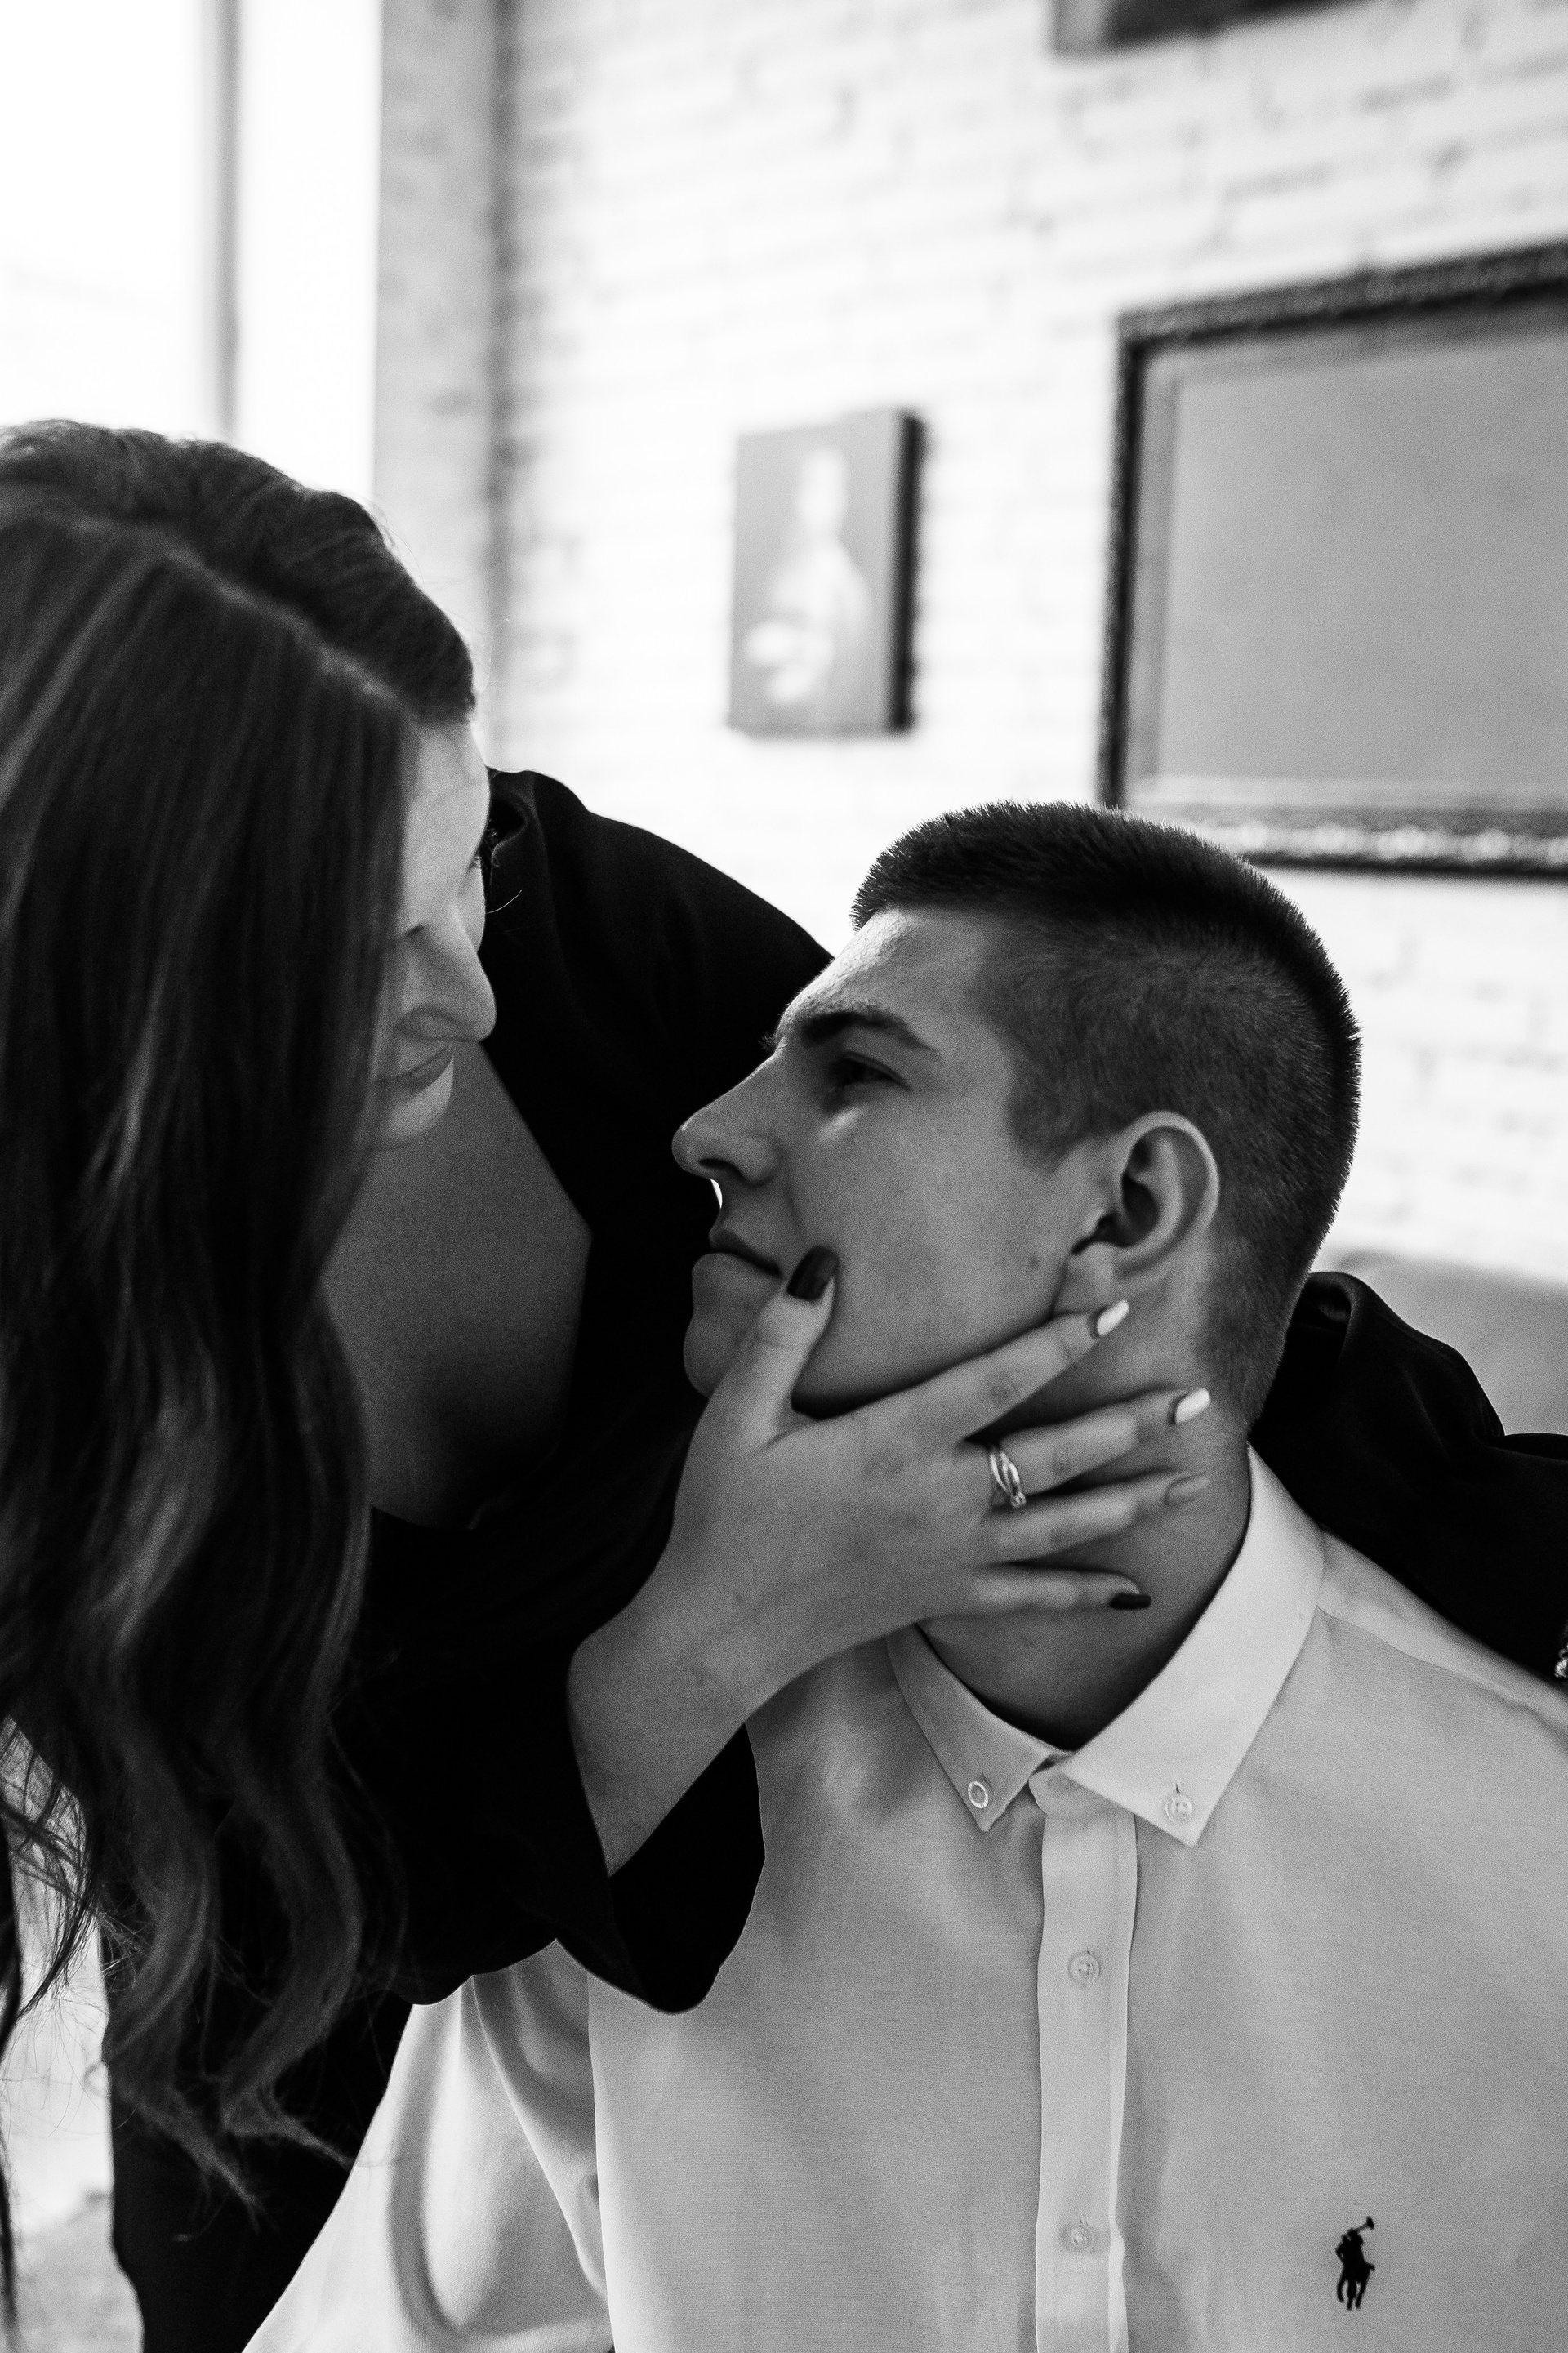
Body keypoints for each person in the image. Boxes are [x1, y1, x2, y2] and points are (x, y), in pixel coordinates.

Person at [0, 429, 1188, 2348]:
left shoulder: (576, 927)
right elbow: (329, 1910)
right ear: (109, 1017)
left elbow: (1023, 1212)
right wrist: (726, 1613)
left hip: (760, 2045)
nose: (470, 991)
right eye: (359, 954)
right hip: (300, 2103)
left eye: (460, 866)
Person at [248, 804, 1568, 2352]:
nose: (702, 1131)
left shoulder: (1527, 1837)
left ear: (1130, 1210)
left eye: (856, 1073)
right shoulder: (627, 1856)